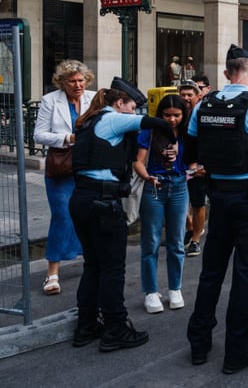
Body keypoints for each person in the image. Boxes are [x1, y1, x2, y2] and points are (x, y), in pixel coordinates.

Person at [185, 44, 248, 374]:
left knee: (211, 271)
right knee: (245, 273)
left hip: (218, 196)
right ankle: (236, 351)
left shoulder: (203, 106)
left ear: (226, 73)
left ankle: (199, 343)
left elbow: (190, 153)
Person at [69, 77, 175, 351]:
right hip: (104, 203)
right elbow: (157, 123)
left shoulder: (87, 121)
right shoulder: (113, 119)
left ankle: (87, 326)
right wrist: (172, 140)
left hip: (82, 199)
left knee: (93, 266)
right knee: (112, 269)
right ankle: (116, 329)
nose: (134, 114)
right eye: (132, 107)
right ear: (119, 103)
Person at [33, 59, 96, 296]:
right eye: (72, 81)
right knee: (61, 215)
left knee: (88, 214)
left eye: (81, 80)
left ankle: (89, 261)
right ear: (62, 82)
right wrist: (68, 139)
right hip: (61, 167)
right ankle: (52, 273)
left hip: (88, 166)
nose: (78, 85)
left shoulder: (94, 98)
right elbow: (38, 134)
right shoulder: (51, 100)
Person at [133, 94, 189, 314]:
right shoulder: (151, 131)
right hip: (154, 185)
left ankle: (175, 288)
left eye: (176, 115)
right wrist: (147, 177)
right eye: (167, 115)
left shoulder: (186, 133)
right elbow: (138, 161)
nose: (172, 120)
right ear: (160, 114)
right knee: (151, 241)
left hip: (179, 185)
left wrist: (188, 165)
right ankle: (151, 291)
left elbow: (193, 161)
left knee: (176, 240)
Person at [181, 75, 211, 257]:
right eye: (182, 94)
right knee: (180, 201)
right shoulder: (176, 112)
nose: (185, 98)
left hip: (198, 166)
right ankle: (190, 227)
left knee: (198, 202)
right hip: (179, 164)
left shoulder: (202, 114)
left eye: (189, 95)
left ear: (197, 96)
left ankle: (196, 240)